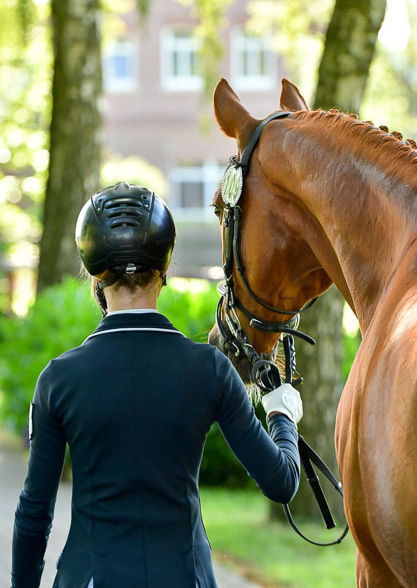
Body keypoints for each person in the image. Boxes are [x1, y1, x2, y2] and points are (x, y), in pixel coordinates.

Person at [11, 182, 302, 588]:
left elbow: (34, 513)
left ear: (94, 273)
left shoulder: (59, 379)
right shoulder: (210, 369)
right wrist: (282, 413)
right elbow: (282, 482)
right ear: (165, 269)